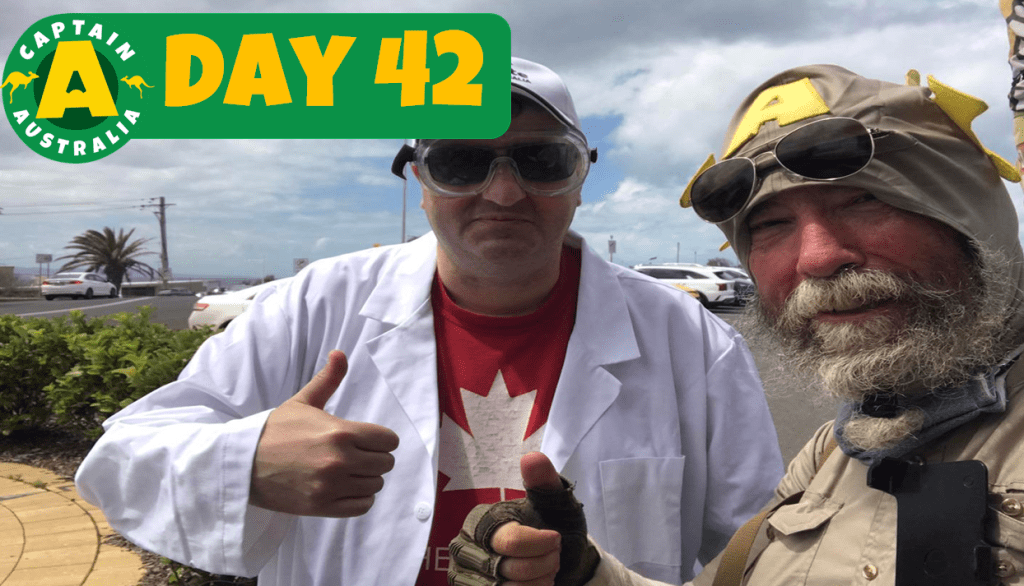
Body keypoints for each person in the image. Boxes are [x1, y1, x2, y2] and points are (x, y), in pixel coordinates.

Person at [74, 57, 784, 586]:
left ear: (581, 178)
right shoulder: (312, 308)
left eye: (540, 160)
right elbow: (118, 464)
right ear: (419, 179)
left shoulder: (691, 343)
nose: (502, 192)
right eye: (461, 161)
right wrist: (246, 463)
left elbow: (762, 557)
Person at [448, 63, 1024, 586]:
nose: (818, 257)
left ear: (968, 212)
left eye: (864, 202)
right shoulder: (833, 452)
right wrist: (586, 575)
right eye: (771, 224)